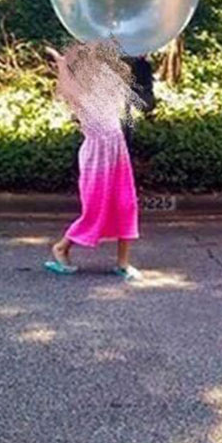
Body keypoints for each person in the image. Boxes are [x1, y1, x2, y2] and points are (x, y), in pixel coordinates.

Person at [44, 40, 142, 280]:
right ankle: (61, 248)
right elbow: (67, 87)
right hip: (96, 159)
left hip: (117, 155)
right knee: (95, 209)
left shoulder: (112, 82)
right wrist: (61, 64)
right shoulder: (79, 93)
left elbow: (122, 64)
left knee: (126, 205)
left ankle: (123, 263)